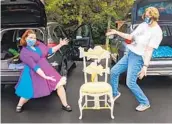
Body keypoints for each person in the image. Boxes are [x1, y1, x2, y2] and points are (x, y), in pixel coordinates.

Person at [106, 7, 163, 111]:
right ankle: (115, 93)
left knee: (130, 82)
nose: (146, 18)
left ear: (154, 16)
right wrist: (116, 32)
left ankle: (145, 102)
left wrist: (145, 67)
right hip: (130, 53)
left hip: (138, 57)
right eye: (145, 16)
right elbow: (129, 37)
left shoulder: (157, 32)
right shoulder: (143, 25)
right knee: (114, 71)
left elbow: (149, 51)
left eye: (148, 16)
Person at [15, 29, 72, 112]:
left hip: (47, 69)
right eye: (31, 37)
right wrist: (45, 76)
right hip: (33, 73)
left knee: (59, 85)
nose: (33, 39)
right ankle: (19, 105)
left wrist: (60, 44)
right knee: (28, 91)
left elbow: (50, 51)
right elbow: (34, 67)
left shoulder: (39, 45)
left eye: (34, 38)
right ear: (25, 38)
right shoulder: (24, 53)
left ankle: (65, 104)